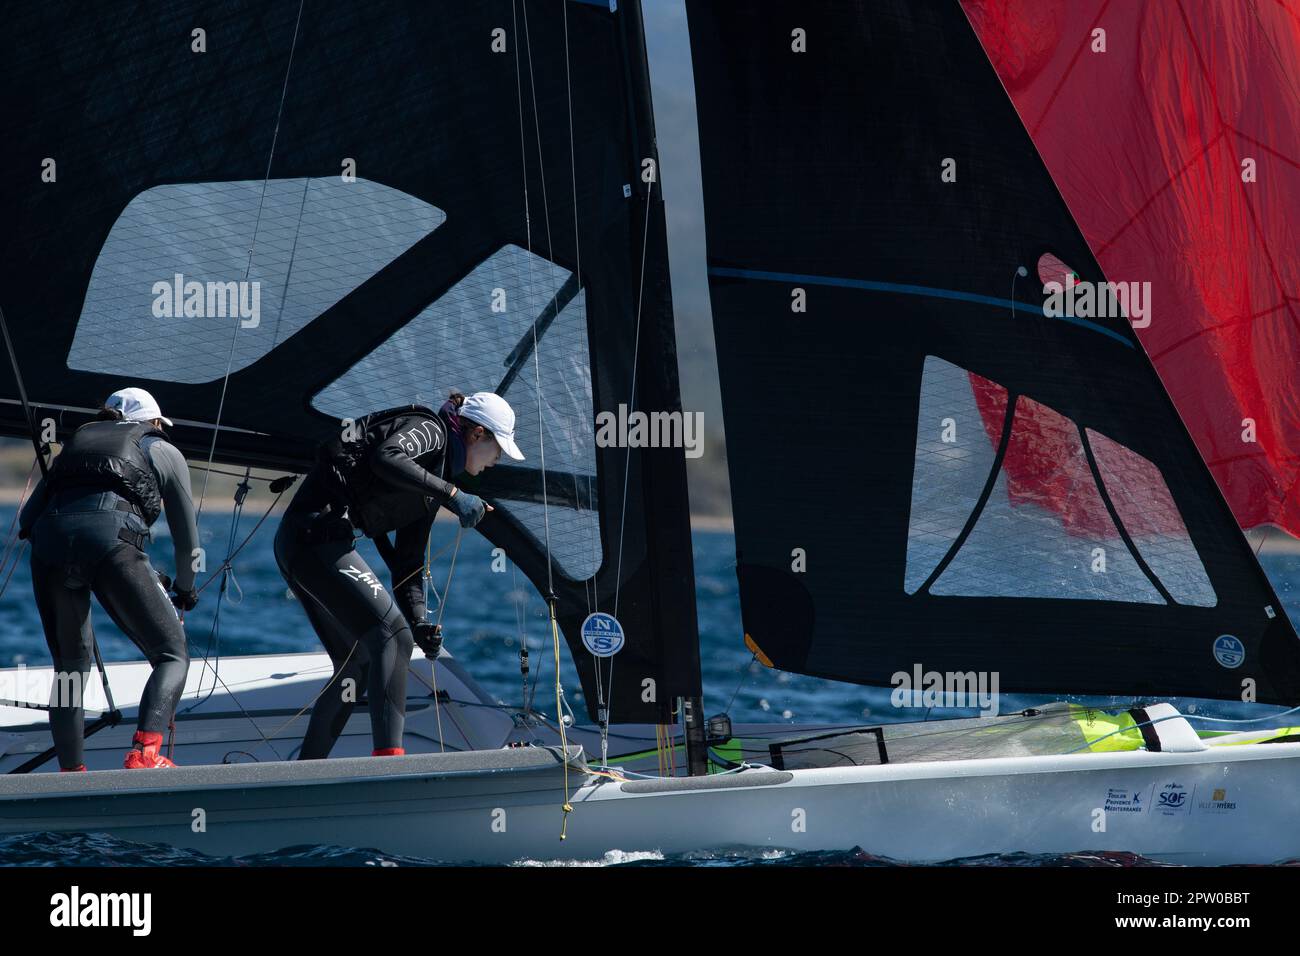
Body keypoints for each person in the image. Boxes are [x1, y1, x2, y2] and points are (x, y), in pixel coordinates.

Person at [275, 390, 523, 759]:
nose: (497, 460)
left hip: (310, 544)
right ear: (476, 435)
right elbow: (386, 457)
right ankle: (390, 762)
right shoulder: (432, 431)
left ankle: (304, 769)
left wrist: (420, 619)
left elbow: (408, 564)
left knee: (358, 661)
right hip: (314, 536)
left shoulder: (430, 482)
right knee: (392, 637)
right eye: (498, 448)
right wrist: (454, 494)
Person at [18, 387, 199, 770]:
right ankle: (144, 754)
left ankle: (70, 773)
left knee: (69, 668)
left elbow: (26, 521)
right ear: (153, 422)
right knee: (172, 655)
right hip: (111, 545)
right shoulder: (164, 450)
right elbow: (188, 544)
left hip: (48, 550)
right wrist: (185, 589)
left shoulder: (75, 446)